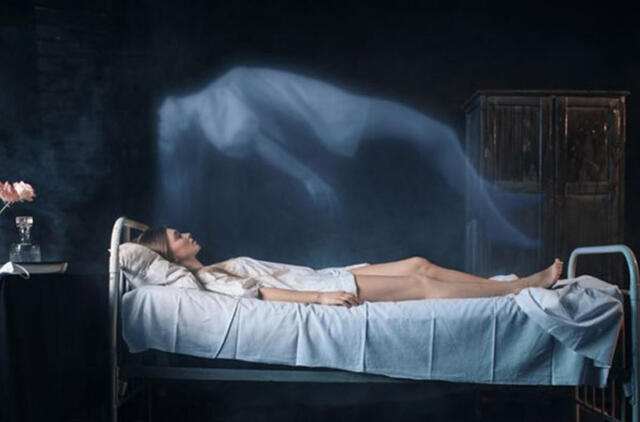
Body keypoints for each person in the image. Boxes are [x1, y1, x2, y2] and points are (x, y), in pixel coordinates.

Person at [157, 66, 544, 249]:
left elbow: (260, 142)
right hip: (337, 116)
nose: (165, 115)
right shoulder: (214, 113)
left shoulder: (214, 105)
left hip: (334, 112)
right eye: (166, 124)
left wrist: (309, 177)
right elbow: (263, 146)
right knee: (437, 136)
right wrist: (309, 179)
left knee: (436, 137)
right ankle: (493, 217)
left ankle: (493, 202)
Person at [135, 226, 564, 308]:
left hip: (329, 272)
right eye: (176, 236)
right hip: (325, 285)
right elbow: (259, 293)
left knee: (419, 263)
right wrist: (320, 297)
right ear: (170, 254)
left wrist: (326, 279)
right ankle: (516, 289)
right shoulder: (207, 278)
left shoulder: (216, 266)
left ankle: (497, 283)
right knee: (420, 282)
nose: (186, 234)